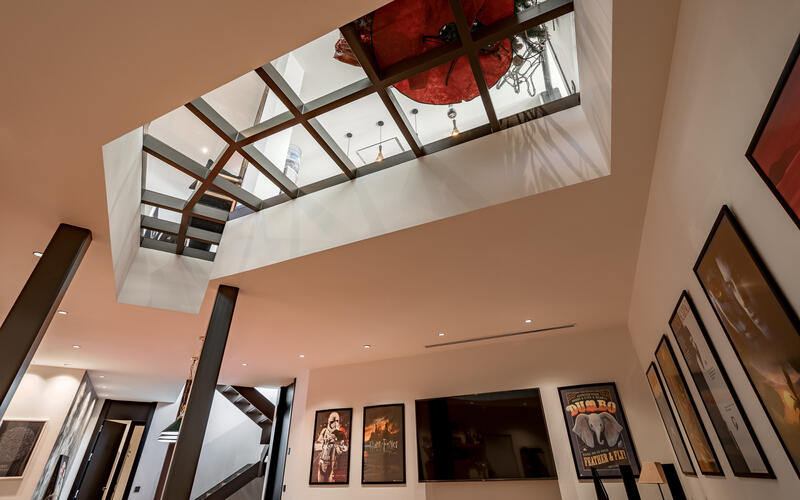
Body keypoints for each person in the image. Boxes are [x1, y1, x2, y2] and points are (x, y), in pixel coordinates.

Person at [314, 412, 348, 482]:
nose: (334, 423)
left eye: (336, 421)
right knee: (320, 481)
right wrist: (325, 444)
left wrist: (337, 444)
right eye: (332, 421)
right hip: (322, 461)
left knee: (330, 481)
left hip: (332, 463)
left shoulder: (340, 433)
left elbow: (344, 447)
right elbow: (316, 445)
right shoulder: (324, 431)